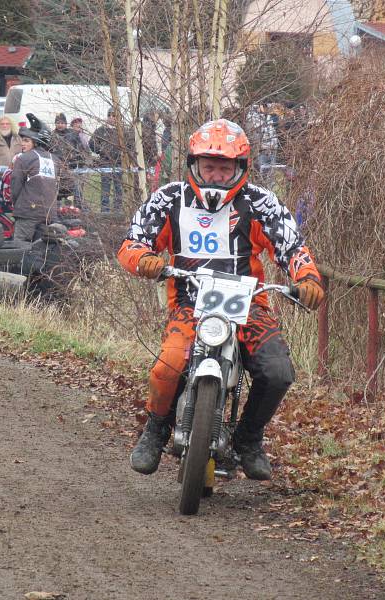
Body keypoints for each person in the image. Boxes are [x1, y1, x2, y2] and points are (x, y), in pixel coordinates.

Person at [117, 119, 326, 480]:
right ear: (194, 165)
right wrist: (145, 260)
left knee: (277, 371)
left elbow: (291, 246)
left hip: (248, 305)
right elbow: (132, 242)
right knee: (168, 366)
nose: (214, 175)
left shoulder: (260, 203)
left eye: (224, 167)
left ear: (239, 168)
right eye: (208, 166)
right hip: (190, 304)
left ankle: (248, 438)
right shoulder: (169, 198)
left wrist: (306, 278)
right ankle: (156, 428)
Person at [9, 113, 58, 243]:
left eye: (26, 140)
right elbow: (67, 185)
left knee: (20, 249)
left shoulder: (23, 158)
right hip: (49, 214)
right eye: (22, 140)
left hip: (27, 213)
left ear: (36, 143)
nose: (22, 144)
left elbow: (15, 185)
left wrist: (17, 203)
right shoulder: (56, 160)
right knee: (45, 250)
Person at [90, 109, 124, 212]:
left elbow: (129, 145)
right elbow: (91, 143)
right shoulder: (101, 130)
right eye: (110, 115)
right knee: (105, 188)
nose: (112, 118)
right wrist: (100, 150)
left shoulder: (122, 131)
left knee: (118, 188)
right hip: (105, 163)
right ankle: (105, 210)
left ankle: (117, 209)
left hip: (119, 163)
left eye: (114, 116)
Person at [49, 113, 76, 206]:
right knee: (57, 192)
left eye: (62, 122)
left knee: (70, 191)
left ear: (66, 123)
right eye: (58, 122)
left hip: (70, 169)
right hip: (56, 169)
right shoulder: (51, 136)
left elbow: (79, 149)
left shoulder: (72, 134)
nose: (60, 125)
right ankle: (57, 211)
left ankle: (70, 210)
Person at [68, 117, 91, 206]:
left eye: (79, 123)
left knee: (81, 185)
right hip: (72, 165)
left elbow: (87, 149)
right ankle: (74, 205)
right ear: (73, 125)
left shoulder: (83, 135)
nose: (78, 124)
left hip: (82, 164)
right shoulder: (69, 135)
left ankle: (79, 204)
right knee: (74, 186)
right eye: (76, 123)